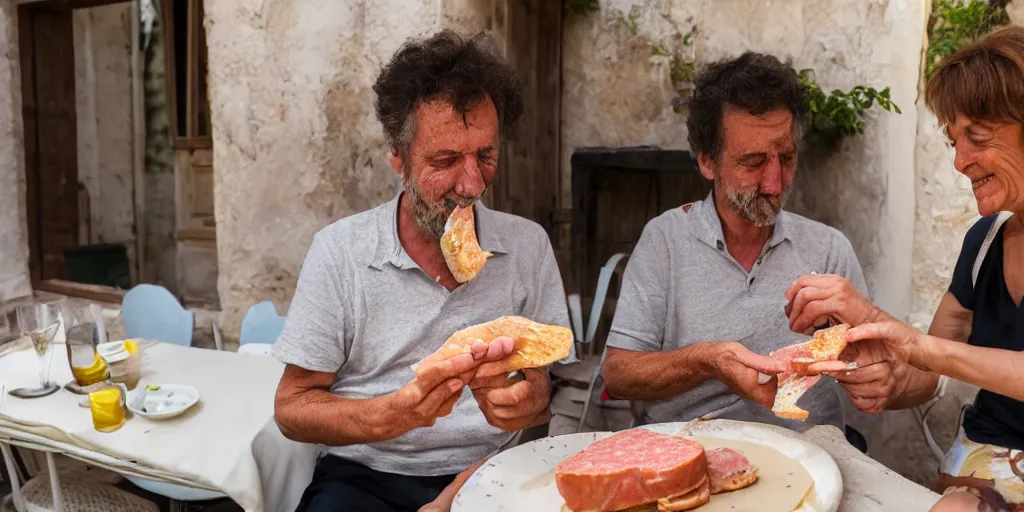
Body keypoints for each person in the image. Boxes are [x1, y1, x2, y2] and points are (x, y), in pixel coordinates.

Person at [271, 29, 573, 512]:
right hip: (366, 473)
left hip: (491, 468)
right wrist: (388, 416)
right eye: (446, 160)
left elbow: (541, 391)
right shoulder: (340, 252)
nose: (472, 185)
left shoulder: (528, 245)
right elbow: (292, 408)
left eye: (486, 155)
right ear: (399, 157)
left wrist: (529, 397)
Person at [785, 25, 1024, 512]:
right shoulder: (983, 245)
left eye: (976, 137)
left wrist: (896, 332)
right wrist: (879, 373)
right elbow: (929, 370)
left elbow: (929, 350)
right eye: (953, 140)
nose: (959, 162)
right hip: (986, 459)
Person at [599, 51, 872, 433]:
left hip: (811, 450)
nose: (775, 183)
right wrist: (708, 362)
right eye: (753, 161)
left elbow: (875, 367)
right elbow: (618, 373)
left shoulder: (829, 249)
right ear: (708, 162)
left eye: (787, 158)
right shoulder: (665, 241)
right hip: (691, 446)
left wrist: (866, 366)